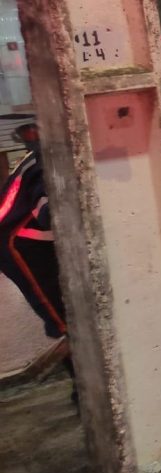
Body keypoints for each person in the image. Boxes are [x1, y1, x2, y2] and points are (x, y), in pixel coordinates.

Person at [0, 124, 66, 341]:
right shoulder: (46, 162)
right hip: (15, 241)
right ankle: (72, 340)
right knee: (56, 307)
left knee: (60, 300)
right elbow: (48, 215)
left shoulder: (38, 158)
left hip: (22, 234)